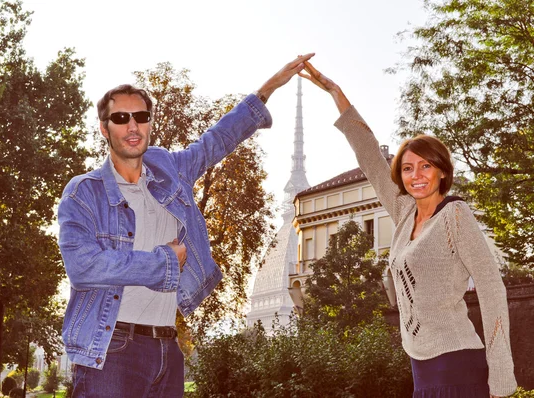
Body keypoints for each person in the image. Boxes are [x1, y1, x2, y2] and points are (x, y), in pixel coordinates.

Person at [57, 53, 315, 398]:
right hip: (112, 349)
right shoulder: (83, 192)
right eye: (121, 118)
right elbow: (83, 266)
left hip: (167, 346)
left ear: (150, 123)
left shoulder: (169, 171)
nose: (132, 127)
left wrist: (266, 90)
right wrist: (163, 262)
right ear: (105, 128)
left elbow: (215, 141)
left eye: (141, 117)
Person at [300, 61, 517, 398]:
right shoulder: (404, 212)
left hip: (457, 362)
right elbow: (370, 156)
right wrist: (336, 94)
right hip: (421, 366)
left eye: (425, 166)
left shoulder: (455, 215)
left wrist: (501, 373)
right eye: (407, 168)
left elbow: (491, 289)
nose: (416, 175)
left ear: (442, 172)